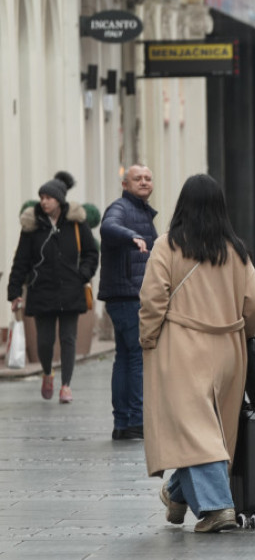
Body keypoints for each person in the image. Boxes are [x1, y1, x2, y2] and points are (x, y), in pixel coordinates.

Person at [139, 174, 255, 534]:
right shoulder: (236, 251)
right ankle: (177, 495)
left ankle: (217, 507)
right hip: (227, 349)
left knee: (196, 431)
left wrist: (148, 338)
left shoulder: (167, 246)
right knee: (211, 429)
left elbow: (152, 298)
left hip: (180, 346)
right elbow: (254, 304)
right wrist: (244, 335)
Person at [7, 172, 98, 404]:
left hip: (70, 289)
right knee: (45, 342)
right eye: (42, 197)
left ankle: (66, 386)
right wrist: (14, 292)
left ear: (59, 200)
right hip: (41, 290)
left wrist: (83, 275)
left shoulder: (76, 223)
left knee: (69, 339)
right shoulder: (32, 225)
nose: (44, 201)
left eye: (48, 197)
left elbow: (91, 252)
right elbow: (21, 261)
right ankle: (48, 373)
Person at [98, 164, 157, 441]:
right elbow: (108, 227)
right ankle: (135, 419)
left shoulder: (141, 211)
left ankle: (122, 422)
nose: (144, 182)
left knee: (124, 357)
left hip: (126, 294)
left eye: (147, 178)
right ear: (125, 184)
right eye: (137, 178)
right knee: (136, 358)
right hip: (128, 296)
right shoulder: (121, 209)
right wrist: (130, 236)